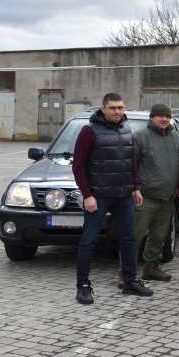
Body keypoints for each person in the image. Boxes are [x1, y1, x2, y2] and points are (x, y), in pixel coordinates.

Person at [72, 92, 153, 305]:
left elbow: (131, 162)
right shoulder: (89, 131)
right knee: (89, 241)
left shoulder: (126, 130)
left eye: (120, 107)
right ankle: (83, 286)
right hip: (98, 197)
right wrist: (88, 195)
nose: (117, 111)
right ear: (103, 108)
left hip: (123, 196)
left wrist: (136, 188)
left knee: (128, 239)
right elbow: (78, 166)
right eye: (113, 108)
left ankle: (129, 281)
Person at [131, 103, 179, 282]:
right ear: (152, 117)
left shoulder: (177, 137)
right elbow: (132, 166)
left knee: (159, 236)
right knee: (135, 236)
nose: (164, 119)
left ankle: (151, 268)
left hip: (167, 198)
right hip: (144, 198)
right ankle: (126, 273)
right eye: (160, 116)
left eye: (167, 116)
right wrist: (135, 188)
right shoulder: (140, 137)